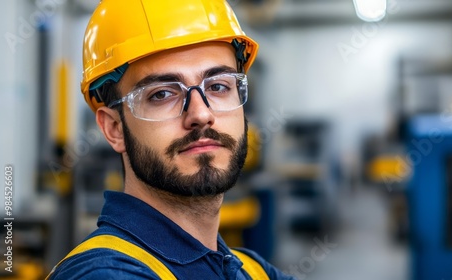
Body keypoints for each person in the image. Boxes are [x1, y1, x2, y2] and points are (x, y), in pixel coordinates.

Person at [47, 0, 295, 279]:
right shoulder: (106, 274)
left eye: (218, 86)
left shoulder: (251, 270)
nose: (201, 114)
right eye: (162, 94)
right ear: (114, 128)